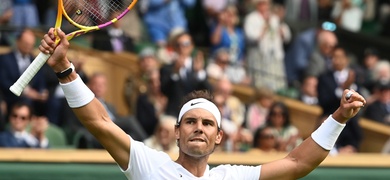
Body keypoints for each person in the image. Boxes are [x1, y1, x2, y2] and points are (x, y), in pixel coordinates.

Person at [39, 27, 366, 179]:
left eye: (208, 123)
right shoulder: (150, 166)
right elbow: (100, 122)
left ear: (219, 136)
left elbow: (297, 164)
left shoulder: (231, 176)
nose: (199, 128)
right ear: (177, 132)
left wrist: (338, 117)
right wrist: (65, 70)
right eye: (192, 122)